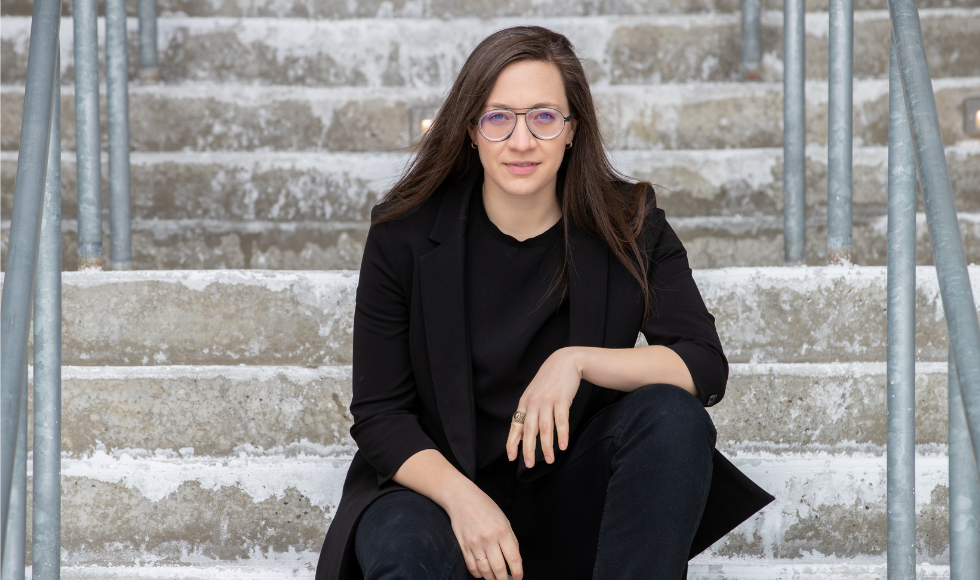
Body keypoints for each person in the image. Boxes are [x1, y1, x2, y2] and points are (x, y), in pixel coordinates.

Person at [316, 25, 773, 580]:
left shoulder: (630, 225)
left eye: (544, 117)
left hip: (567, 498)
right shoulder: (404, 235)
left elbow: (701, 363)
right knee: (406, 551)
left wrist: (575, 361)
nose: (522, 141)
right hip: (439, 497)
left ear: (572, 129)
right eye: (498, 117)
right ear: (471, 131)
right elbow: (381, 415)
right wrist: (466, 502)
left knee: (672, 417)